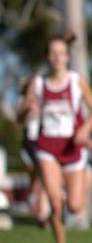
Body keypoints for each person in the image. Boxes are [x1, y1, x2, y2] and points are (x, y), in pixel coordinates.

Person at [18, 32, 92, 243]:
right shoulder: (38, 83)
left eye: (61, 53)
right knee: (55, 202)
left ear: (67, 57)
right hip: (47, 147)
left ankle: (79, 184)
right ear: (47, 56)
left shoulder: (77, 82)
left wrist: (86, 128)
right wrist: (27, 110)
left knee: (74, 207)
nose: (57, 57)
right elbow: (19, 116)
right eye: (53, 53)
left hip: (72, 148)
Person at [16, 78, 48, 228]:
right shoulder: (22, 101)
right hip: (29, 143)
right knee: (35, 176)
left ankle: (41, 214)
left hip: (42, 142)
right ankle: (32, 195)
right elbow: (18, 122)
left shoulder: (44, 100)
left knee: (42, 177)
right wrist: (28, 111)